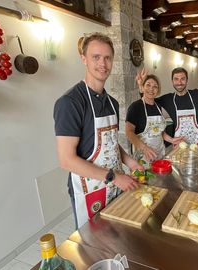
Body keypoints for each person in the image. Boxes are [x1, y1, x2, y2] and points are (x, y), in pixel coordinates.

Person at [53, 32, 142, 229]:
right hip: (89, 190)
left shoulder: (112, 102)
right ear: (83, 59)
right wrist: (115, 177)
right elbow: (66, 160)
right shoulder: (70, 103)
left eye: (107, 58)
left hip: (115, 185)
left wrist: (131, 162)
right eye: (96, 57)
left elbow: (109, 143)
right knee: (93, 248)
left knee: (117, 236)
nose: (103, 63)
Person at [155, 65, 198, 145]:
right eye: (176, 79)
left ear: (187, 80)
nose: (179, 82)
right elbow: (149, 101)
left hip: (197, 143)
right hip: (179, 143)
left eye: (182, 79)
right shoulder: (168, 99)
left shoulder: (197, 95)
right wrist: (141, 87)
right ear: (172, 81)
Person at [126, 72, 183, 168]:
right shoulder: (135, 107)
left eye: (155, 86)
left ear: (158, 90)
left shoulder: (158, 107)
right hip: (143, 156)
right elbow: (129, 132)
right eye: (148, 85)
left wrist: (172, 140)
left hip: (159, 153)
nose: (151, 89)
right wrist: (144, 148)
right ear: (142, 87)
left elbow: (159, 132)